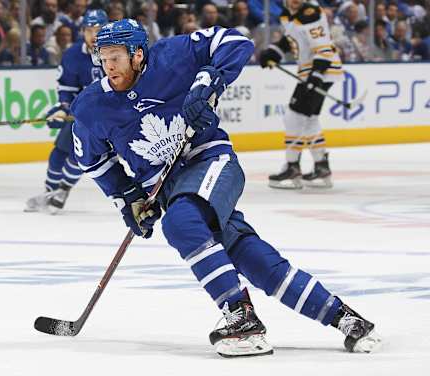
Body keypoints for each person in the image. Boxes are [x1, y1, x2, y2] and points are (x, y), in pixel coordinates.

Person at [71, 18, 382, 357]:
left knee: (180, 223)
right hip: (169, 188)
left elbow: (236, 41)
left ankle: (241, 317)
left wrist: (208, 83)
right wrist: (127, 198)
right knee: (252, 257)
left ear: (138, 54)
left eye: (116, 55)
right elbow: (95, 161)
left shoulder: (173, 55)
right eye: (103, 56)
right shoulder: (91, 106)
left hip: (211, 162)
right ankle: (345, 318)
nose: (109, 65)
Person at [25, 9, 108, 214]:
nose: (93, 35)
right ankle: (50, 191)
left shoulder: (118, 53)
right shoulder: (72, 55)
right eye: (89, 30)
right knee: (59, 152)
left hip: (108, 118)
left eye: (98, 30)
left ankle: (63, 190)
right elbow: (67, 88)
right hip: (80, 113)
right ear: (82, 31)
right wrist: (62, 109)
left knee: (80, 154)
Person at [259, 0, 343, 189]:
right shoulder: (286, 14)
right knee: (309, 119)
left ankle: (292, 167)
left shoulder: (310, 13)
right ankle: (321, 167)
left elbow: (323, 48)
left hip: (321, 69)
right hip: (312, 72)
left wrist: (317, 76)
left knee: (293, 117)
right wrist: (274, 52)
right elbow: (291, 40)